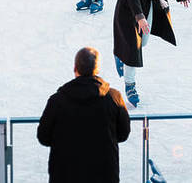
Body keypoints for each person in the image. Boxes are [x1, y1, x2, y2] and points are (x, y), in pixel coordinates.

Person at [37, 47, 130, 183]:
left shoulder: (57, 101)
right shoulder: (114, 98)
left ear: (75, 68)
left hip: (65, 175)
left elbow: (43, 137)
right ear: (97, 69)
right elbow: (123, 134)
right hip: (104, 175)